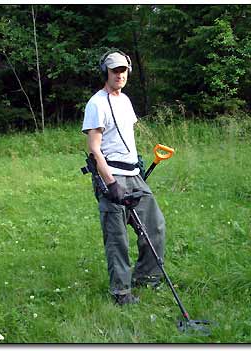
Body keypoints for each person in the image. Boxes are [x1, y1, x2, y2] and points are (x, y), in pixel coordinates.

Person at [82, 50, 166, 305]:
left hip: (133, 174)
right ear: (105, 73)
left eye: (123, 70)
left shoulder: (126, 101)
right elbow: (94, 148)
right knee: (117, 237)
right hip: (111, 175)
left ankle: (147, 277)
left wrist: (136, 166)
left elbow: (125, 137)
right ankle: (121, 292)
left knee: (155, 226)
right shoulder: (96, 104)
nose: (119, 74)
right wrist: (111, 184)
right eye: (114, 70)